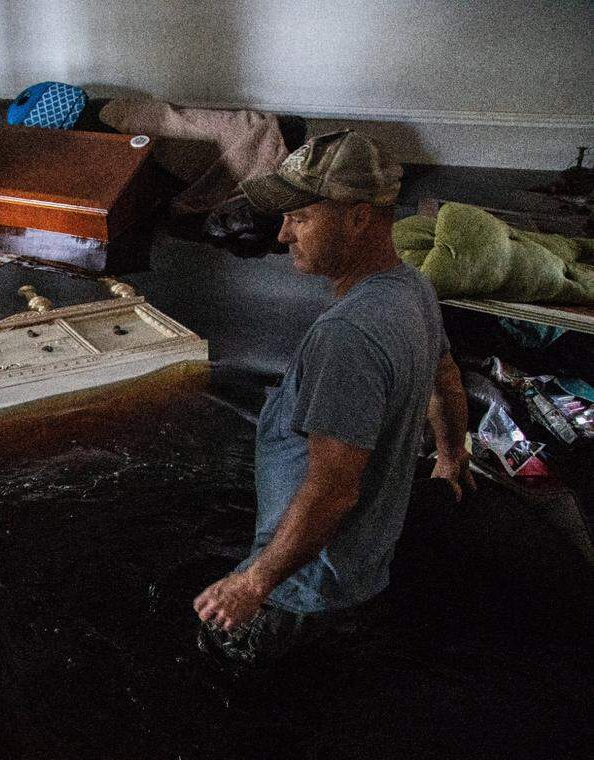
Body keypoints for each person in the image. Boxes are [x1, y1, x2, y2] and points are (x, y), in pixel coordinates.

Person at [192, 131, 474, 674]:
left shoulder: (345, 336)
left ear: (358, 218)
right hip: (364, 569)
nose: (282, 234)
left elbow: (334, 492)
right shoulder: (412, 288)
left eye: (300, 218)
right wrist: (450, 454)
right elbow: (447, 378)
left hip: (305, 591)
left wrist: (253, 584)